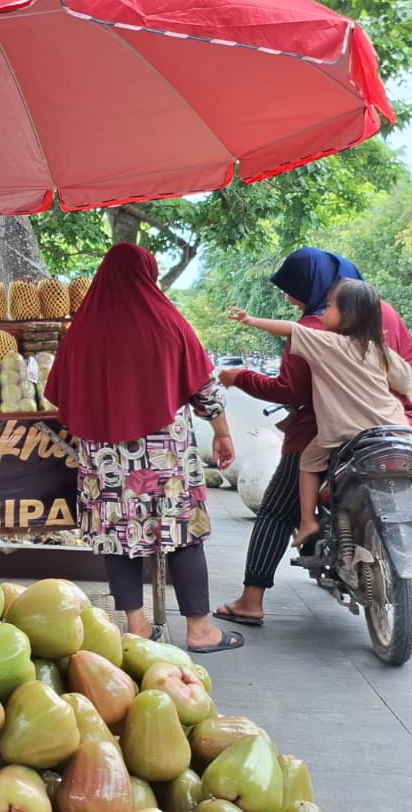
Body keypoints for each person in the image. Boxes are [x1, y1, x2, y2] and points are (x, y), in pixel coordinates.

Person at [215, 248, 412, 627]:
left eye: (294, 289)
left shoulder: (321, 328)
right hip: (396, 428)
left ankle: (252, 599)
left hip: (327, 429)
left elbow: (292, 389)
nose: (290, 298)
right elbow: (408, 368)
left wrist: (241, 378)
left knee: (276, 508)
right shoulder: (382, 316)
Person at [45, 243, 243, 653]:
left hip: (104, 456)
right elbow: (205, 391)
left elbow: (58, 397)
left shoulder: (81, 330)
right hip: (164, 455)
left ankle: (135, 627)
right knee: (183, 534)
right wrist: (222, 432)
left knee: (118, 536)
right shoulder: (169, 323)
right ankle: (200, 629)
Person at [228, 280, 412, 547]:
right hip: (391, 431)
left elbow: (291, 331)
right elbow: (405, 383)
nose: (322, 313)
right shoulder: (381, 351)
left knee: (308, 461)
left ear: (347, 315)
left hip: (344, 434)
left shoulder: (328, 343)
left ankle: (307, 521)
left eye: (328, 307)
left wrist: (251, 320)